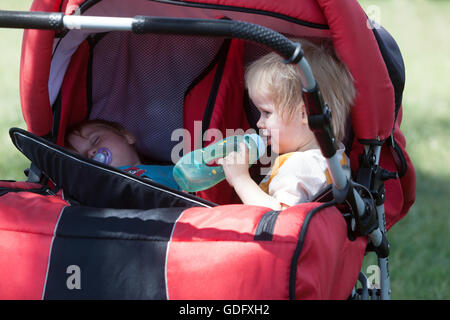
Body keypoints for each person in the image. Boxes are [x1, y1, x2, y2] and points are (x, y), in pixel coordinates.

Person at [218, 39, 356, 210]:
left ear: (305, 114)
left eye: (267, 113)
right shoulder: (334, 158)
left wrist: (241, 180)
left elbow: (279, 217)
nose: (258, 123)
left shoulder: (299, 167)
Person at [65, 119, 181, 191]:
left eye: (96, 140)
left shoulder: (172, 171)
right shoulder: (93, 189)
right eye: (81, 158)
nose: (90, 153)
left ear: (127, 137)